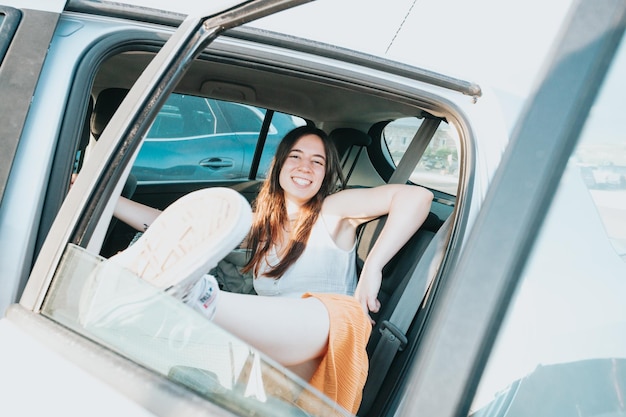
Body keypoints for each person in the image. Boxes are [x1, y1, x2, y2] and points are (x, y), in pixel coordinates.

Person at [106, 125, 434, 413]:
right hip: (272, 356)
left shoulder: (333, 210)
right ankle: (178, 293)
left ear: (325, 174)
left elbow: (416, 197)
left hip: (321, 348)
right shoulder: (264, 227)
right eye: (295, 156)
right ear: (278, 164)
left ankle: (194, 295)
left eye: (317, 161)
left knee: (338, 311)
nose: (305, 167)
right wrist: (105, 198)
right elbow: (175, 225)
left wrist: (373, 267)